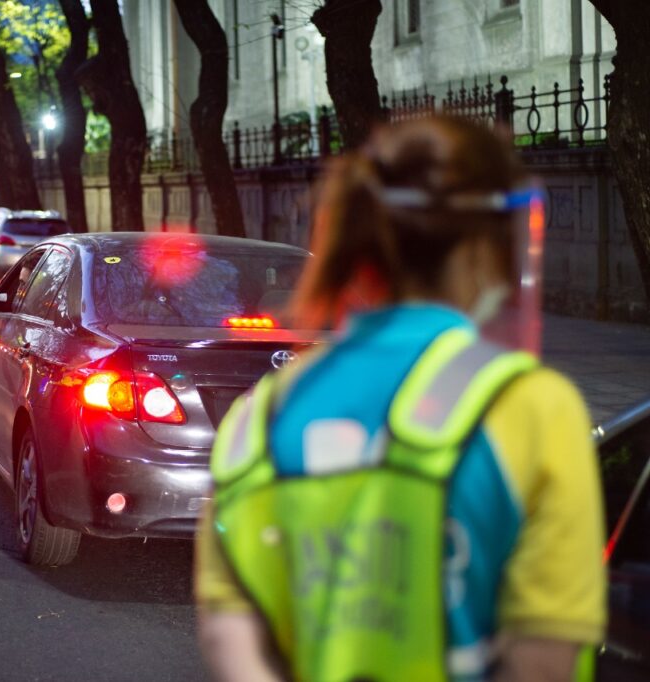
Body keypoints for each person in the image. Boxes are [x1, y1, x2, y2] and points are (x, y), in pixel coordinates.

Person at [195, 117, 606, 682]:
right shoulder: (531, 408)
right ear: (483, 246)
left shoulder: (261, 417)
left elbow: (232, 633)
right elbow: (545, 657)